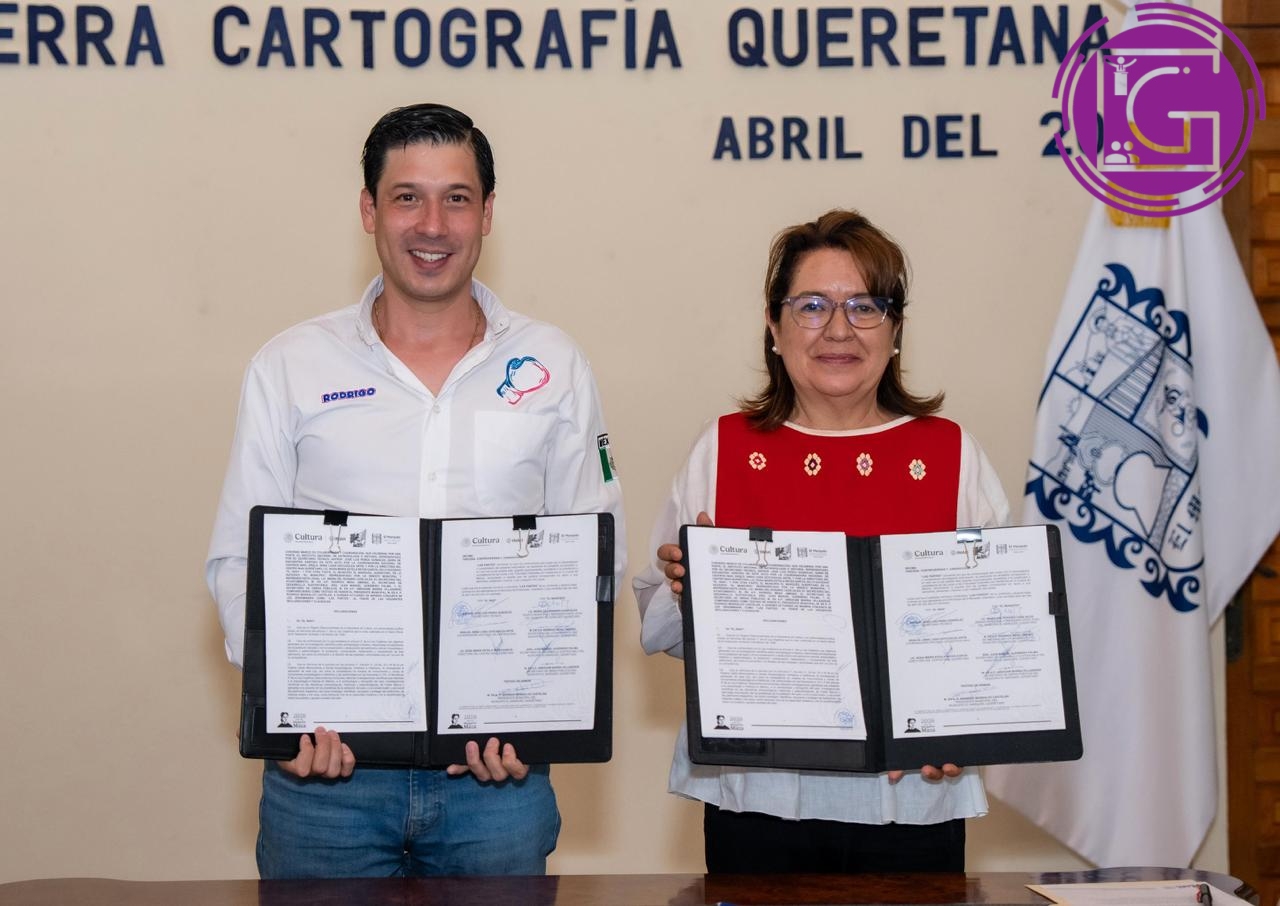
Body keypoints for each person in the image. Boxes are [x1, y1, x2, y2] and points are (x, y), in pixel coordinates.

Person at [206, 103, 625, 878]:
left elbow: (591, 558)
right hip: (324, 783)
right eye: (408, 197)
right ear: (370, 209)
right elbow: (239, 561)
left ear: (487, 213)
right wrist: (287, 703)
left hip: (497, 783)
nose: (432, 225)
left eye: (456, 198)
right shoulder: (290, 366)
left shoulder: (556, 365)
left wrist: (538, 712)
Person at [633, 209, 1008, 874]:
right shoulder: (723, 448)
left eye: (865, 306)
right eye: (811, 306)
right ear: (774, 328)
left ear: (895, 330)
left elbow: (996, 627)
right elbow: (659, 626)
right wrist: (687, 587)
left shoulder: (951, 453)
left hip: (912, 794)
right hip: (759, 800)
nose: (839, 329)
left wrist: (965, 721)